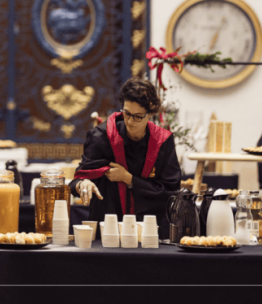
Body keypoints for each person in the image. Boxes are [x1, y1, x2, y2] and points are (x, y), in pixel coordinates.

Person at [70, 78, 181, 239]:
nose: (129, 121)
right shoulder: (102, 136)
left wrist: (128, 179)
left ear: (150, 114)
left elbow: (170, 192)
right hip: (106, 225)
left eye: (138, 116)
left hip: (149, 231)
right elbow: (77, 180)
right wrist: (83, 183)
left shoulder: (163, 142)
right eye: (127, 113)